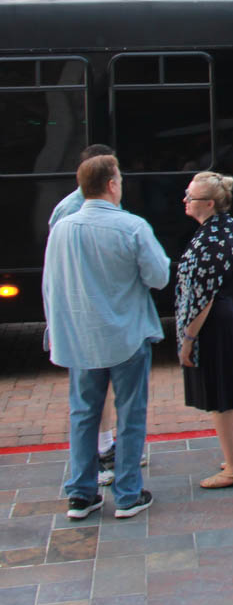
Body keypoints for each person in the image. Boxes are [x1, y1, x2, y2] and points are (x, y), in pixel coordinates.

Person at [43, 155, 169, 519]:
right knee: (131, 414)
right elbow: (158, 276)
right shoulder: (132, 227)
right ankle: (127, 493)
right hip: (126, 334)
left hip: (81, 339)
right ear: (112, 184)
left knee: (83, 414)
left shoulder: (63, 228)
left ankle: (81, 493)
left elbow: (51, 285)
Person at [175, 172, 233, 488]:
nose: (185, 201)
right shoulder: (231, 227)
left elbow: (202, 300)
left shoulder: (207, 242)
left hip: (218, 328)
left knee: (221, 398)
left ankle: (232, 469)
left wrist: (187, 339)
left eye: (191, 197)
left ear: (209, 204)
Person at [47, 144, 123, 487]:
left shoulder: (81, 208)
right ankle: (102, 457)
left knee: (93, 394)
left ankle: (98, 460)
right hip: (88, 318)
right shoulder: (71, 211)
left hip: (93, 316)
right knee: (89, 397)